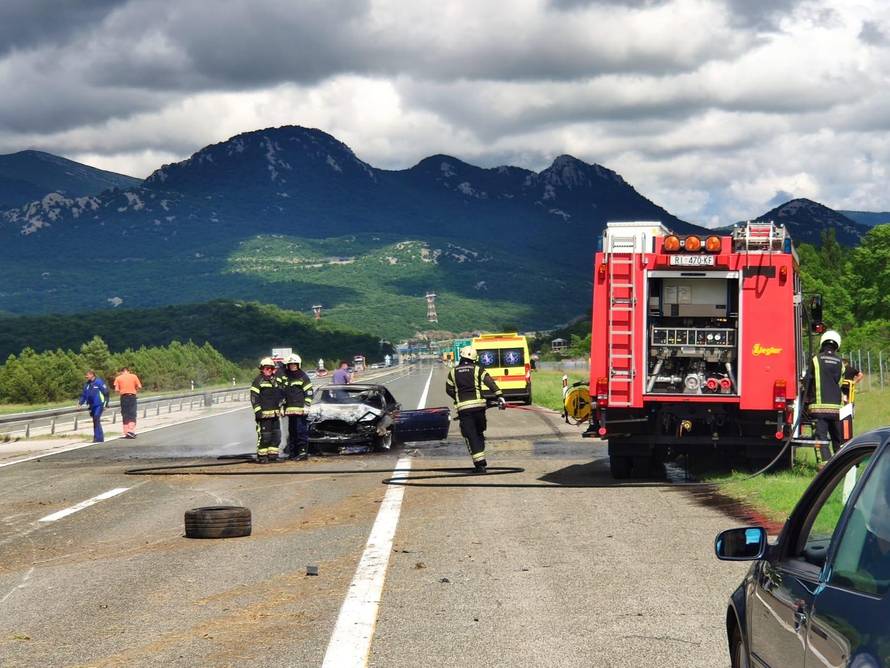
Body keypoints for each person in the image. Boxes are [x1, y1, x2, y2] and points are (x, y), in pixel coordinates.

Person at [445, 345, 505, 473]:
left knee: (470, 435)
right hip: (479, 408)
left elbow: (448, 389)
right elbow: (490, 382)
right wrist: (499, 395)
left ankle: (480, 464)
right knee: (479, 431)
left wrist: (458, 397)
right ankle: (480, 453)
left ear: (461, 356)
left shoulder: (453, 372)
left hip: (464, 409)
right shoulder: (478, 369)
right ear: (473, 358)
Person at [803, 330, 846, 464]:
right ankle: (840, 465)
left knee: (821, 439)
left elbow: (807, 381)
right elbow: (840, 382)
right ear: (837, 345)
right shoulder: (841, 362)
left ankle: (824, 467)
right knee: (837, 439)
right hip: (837, 409)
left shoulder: (815, 359)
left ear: (823, 343)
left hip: (818, 409)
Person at [280, 353, 314, 460]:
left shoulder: (303, 376)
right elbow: (283, 393)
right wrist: (282, 406)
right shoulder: (286, 377)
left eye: (294, 364)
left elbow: (309, 391)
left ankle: (302, 453)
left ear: (298, 365)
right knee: (292, 432)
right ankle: (293, 452)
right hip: (290, 411)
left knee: (301, 432)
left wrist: (307, 405)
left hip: (301, 410)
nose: (292, 366)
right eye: (290, 364)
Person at [250, 357, 283, 463]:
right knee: (265, 437)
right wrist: (258, 411)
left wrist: (282, 406)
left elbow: (281, 394)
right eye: (266, 368)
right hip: (263, 415)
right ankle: (262, 456)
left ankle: (273, 456)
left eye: (270, 368)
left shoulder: (276, 380)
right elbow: (254, 397)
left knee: (276, 436)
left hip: (275, 414)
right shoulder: (258, 381)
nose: (268, 370)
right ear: (262, 369)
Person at [78, 370, 109, 443]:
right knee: (95, 421)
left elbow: (106, 393)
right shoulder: (87, 384)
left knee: (96, 418)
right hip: (91, 405)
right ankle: (96, 437)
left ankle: (99, 438)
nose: (86, 377)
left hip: (99, 404)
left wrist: (105, 404)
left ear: (92, 375)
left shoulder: (99, 382)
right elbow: (84, 395)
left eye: (87, 375)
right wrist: (80, 403)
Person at [114, 366, 142, 439]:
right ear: (128, 371)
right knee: (132, 413)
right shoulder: (134, 376)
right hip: (132, 396)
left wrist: (122, 391)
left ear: (122, 371)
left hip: (123, 397)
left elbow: (116, 389)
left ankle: (126, 432)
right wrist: (135, 390)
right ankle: (131, 430)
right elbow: (139, 386)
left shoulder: (118, 378)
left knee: (125, 414)